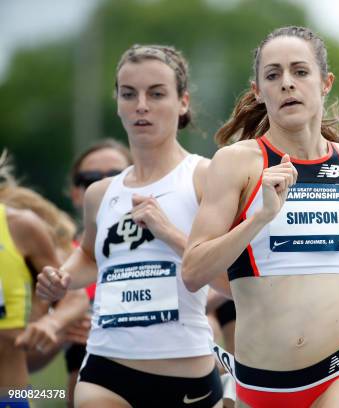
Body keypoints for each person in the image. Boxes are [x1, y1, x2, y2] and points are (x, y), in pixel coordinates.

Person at [182, 26, 339, 408]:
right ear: (258, 91)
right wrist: (258, 218)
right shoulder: (236, 163)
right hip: (262, 384)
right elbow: (193, 271)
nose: (287, 84)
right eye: (273, 75)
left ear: (325, 82)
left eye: (300, 71)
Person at [37, 44, 226, 408]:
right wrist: (62, 277)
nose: (141, 105)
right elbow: (90, 259)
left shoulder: (204, 177)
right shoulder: (100, 193)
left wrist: (167, 231)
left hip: (185, 375)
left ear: (182, 102)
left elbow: (231, 280)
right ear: (118, 102)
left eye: (156, 94)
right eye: (129, 94)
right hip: (106, 370)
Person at [64, 139, 132, 407]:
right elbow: (18, 351)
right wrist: (56, 327)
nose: (104, 186)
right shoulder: (50, 252)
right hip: (73, 391)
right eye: (90, 179)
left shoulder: (162, 242)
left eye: (116, 176)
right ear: (75, 193)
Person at [0, 152, 64, 404]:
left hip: (9, 395)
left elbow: (73, 295)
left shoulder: (21, 225)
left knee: (65, 396)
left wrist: (49, 321)